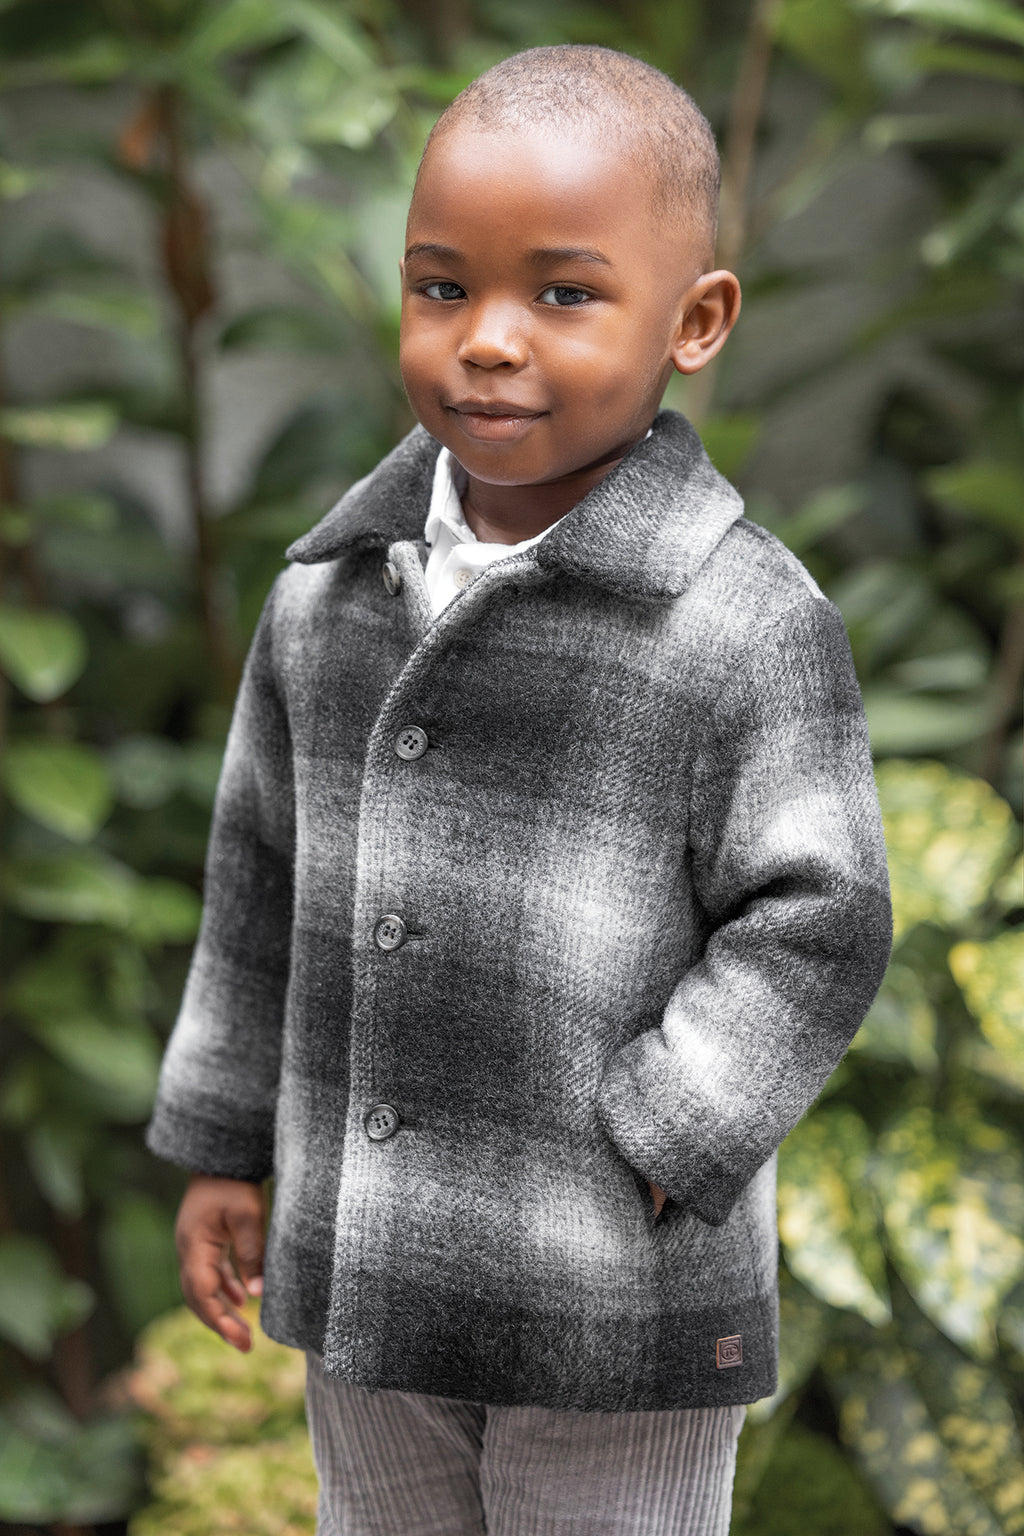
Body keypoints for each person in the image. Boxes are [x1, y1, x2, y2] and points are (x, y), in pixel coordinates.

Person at [146, 43, 892, 1536]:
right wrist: (227, 1142)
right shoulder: (328, 598)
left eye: (562, 294)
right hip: (370, 1269)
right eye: (443, 287)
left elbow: (821, 912)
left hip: (606, 1281)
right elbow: (256, 879)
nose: (487, 340)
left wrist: (671, 1130)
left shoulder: (738, 621)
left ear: (696, 321)